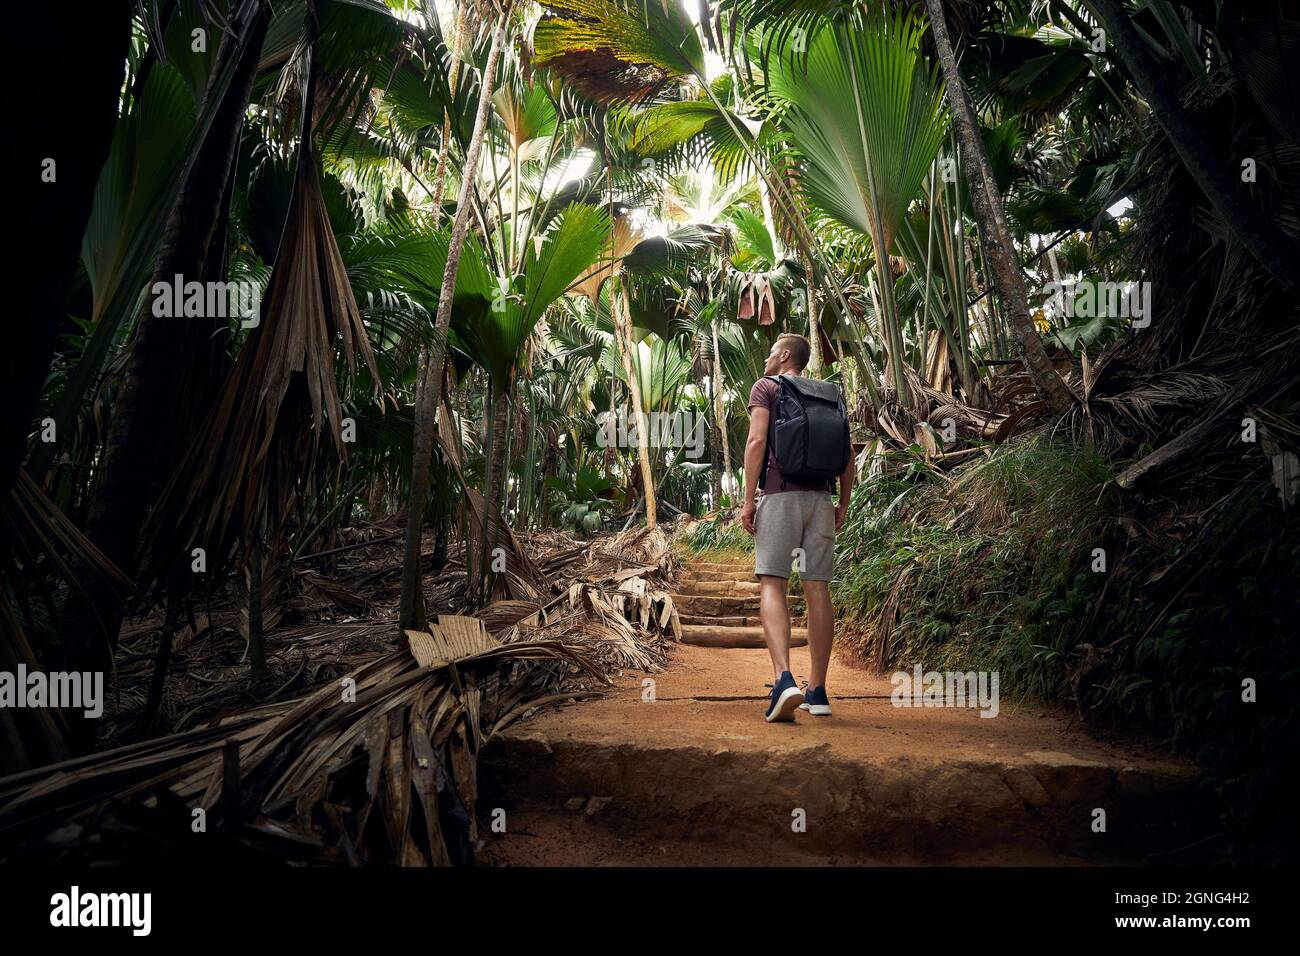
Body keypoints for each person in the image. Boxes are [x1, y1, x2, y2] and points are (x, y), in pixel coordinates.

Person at [742, 333, 854, 722]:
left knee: (773, 582)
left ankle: (782, 679)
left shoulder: (767, 388)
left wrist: (748, 499)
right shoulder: (830, 393)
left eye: (771, 351)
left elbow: (757, 441)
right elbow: (847, 455)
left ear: (785, 355)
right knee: (817, 587)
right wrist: (842, 502)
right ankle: (818, 691)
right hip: (820, 501)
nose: (768, 358)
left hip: (781, 495)